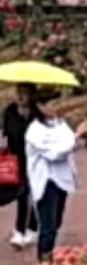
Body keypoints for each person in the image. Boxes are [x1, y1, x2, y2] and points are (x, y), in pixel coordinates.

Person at [24, 95, 80, 263]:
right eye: (52, 103)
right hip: (46, 181)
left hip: (62, 179)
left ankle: (49, 258)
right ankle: (45, 264)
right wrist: (76, 136)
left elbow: (68, 145)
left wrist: (77, 139)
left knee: (56, 223)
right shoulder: (35, 130)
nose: (57, 106)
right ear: (40, 106)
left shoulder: (61, 124)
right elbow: (54, 153)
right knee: (47, 226)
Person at [2, 84, 40, 248]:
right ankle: (23, 230)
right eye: (18, 93)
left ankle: (28, 229)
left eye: (24, 94)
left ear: (31, 95)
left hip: (35, 159)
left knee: (32, 193)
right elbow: (3, 132)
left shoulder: (37, 114)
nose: (20, 97)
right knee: (22, 193)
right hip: (14, 159)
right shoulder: (9, 111)